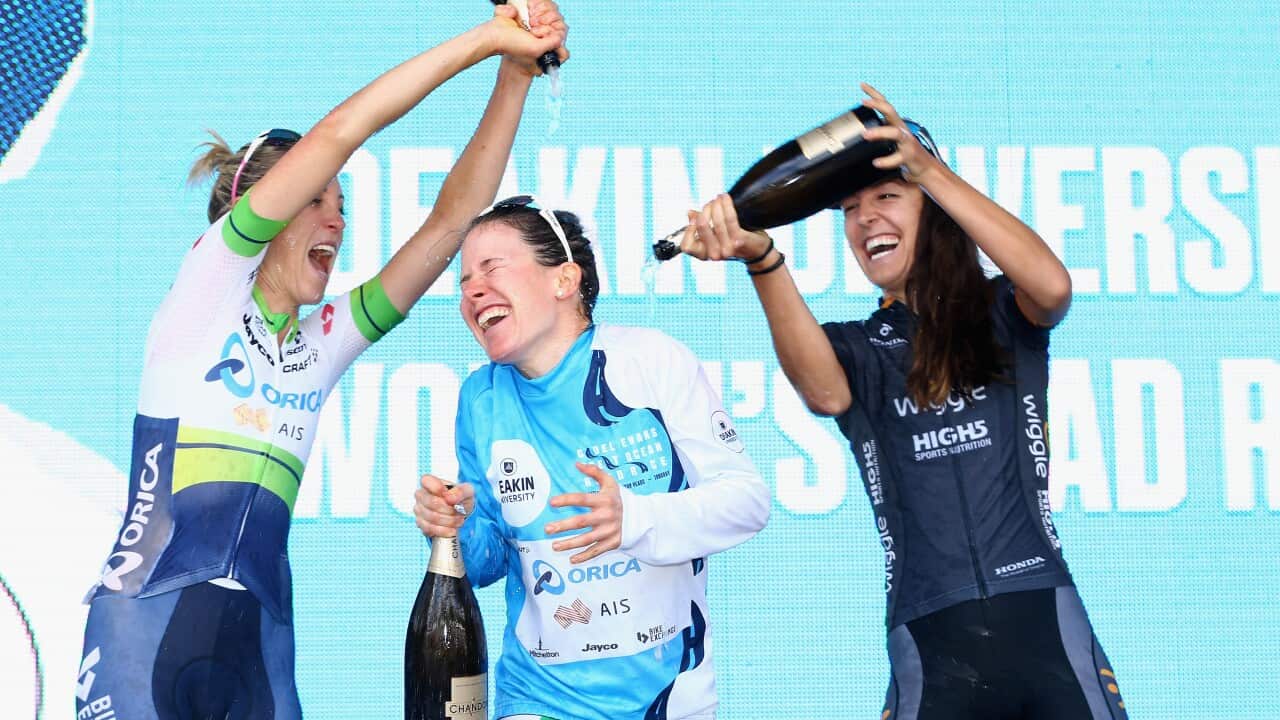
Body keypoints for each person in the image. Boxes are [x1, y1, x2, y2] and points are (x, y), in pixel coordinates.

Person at [78, 5, 568, 718]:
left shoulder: (322, 342)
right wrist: (486, 36)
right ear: (259, 211)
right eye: (315, 199)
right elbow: (344, 130)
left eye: (341, 204)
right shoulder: (206, 289)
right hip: (145, 630)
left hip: (260, 645)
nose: (336, 219)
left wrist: (514, 75)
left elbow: (452, 220)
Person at [679, 84, 1128, 719]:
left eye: (888, 196)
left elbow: (1053, 286)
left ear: (933, 206)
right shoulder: (861, 348)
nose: (866, 221)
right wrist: (761, 255)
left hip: (1043, 618)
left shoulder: (1003, 312)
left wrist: (927, 169)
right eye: (850, 210)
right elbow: (823, 391)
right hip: (928, 632)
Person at [413, 196, 771, 720]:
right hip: (537, 699)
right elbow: (488, 561)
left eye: (491, 268)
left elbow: (747, 503)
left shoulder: (649, 361)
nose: (471, 291)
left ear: (564, 280)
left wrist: (636, 518)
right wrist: (453, 528)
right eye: (464, 281)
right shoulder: (481, 398)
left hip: (671, 698)